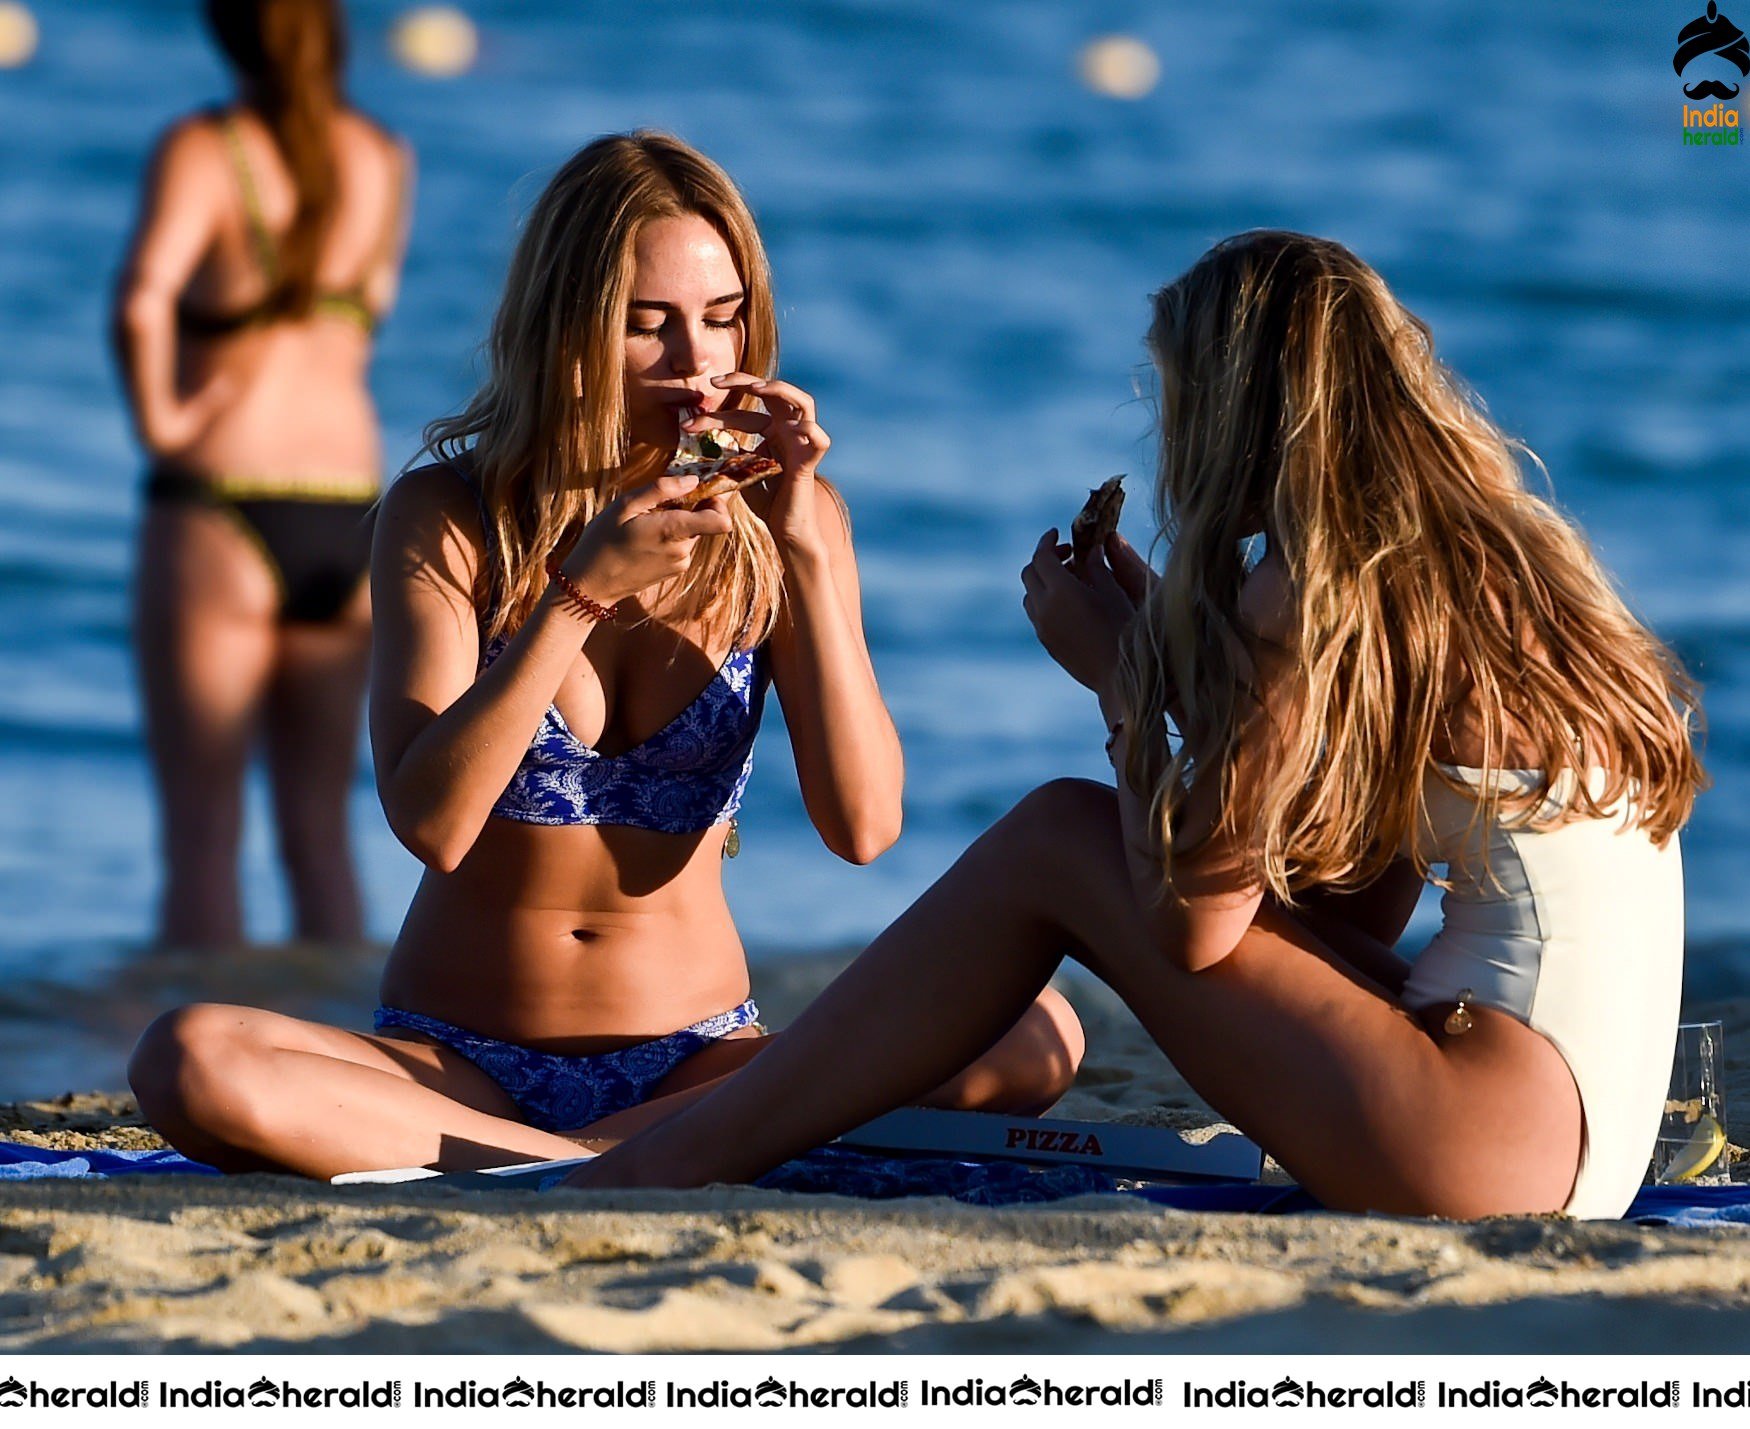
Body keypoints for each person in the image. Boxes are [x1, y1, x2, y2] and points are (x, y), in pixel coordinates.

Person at [571, 231, 1706, 1220]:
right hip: (1561, 1139)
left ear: (1237, 414)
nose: (1171, 443)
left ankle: (670, 1159)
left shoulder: (1320, 587)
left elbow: (1195, 933)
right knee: (1088, 839)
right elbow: (1339, 905)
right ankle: (693, 1137)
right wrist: (1176, 670)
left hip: (1483, 1145)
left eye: (1176, 404)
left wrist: (1122, 686)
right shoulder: (1480, 561)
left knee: (1059, 837)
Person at [127, 132, 1084, 1177]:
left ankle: (569, 1160)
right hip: (455, 1062)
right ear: (569, 328)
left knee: (1036, 1027)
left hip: (699, 1053)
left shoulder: (786, 527)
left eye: (721, 321)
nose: (696, 362)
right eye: (649, 325)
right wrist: (577, 596)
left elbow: (862, 826)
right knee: (193, 1057)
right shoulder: (448, 515)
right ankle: (608, 1158)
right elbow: (432, 825)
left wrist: (805, 540)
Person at [113, 0, 411, 948]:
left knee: (203, 836)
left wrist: (163, 418)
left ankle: (190, 1066)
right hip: (349, 510)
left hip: (220, 501)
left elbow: (140, 301)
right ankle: (330, 1057)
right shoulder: (383, 157)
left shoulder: (204, 149)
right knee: (320, 836)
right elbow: (374, 305)